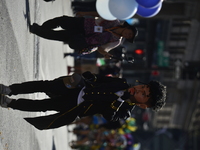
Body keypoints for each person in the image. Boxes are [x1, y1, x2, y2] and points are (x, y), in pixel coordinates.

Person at [0, 71, 166, 130]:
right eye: (143, 87)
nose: (139, 90)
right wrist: (89, 76)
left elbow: (110, 116)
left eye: (143, 94)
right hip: (78, 87)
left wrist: (120, 100)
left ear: (143, 105)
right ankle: (11, 89)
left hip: (76, 105)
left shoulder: (125, 112)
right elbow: (101, 78)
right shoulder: (122, 82)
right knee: (46, 85)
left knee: (43, 106)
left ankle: (9, 103)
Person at [30, 13, 138, 59]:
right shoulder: (114, 21)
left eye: (129, 37)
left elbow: (101, 48)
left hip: (84, 37)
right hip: (83, 23)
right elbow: (98, 14)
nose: (127, 35)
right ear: (127, 28)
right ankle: (42, 28)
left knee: (59, 35)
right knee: (61, 20)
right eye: (129, 33)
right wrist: (84, 12)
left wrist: (105, 54)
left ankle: (37, 30)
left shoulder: (116, 41)